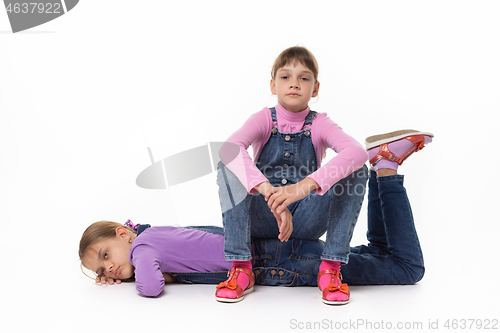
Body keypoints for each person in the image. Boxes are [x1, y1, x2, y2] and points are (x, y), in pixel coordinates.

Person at [78, 130, 433, 304]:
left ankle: (384, 167)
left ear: (124, 234)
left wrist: (132, 276)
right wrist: (123, 273)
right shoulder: (157, 236)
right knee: (378, 251)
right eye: (100, 270)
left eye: (105, 256)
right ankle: (377, 164)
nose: (107, 269)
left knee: (406, 269)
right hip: (281, 249)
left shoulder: (143, 250)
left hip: (288, 263)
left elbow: (151, 288)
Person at [215, 46, 368, 304]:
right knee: (227, 164)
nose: (294, 84)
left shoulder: (319, 124)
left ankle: (331, 268)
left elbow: (357, 152)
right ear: (273, 85)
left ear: (315, 89)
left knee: (356, 169)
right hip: (262, 215)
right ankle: (241, 267)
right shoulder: (263, 119)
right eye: (286, 77)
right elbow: (229, 150)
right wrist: (271, 194)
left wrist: (301, 188)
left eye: (304, 78)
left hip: (306, 219)